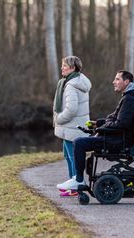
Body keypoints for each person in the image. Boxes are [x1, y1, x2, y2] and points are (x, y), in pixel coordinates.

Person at [57, 70, 134, 191]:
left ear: (126, 82)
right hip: (120, 137)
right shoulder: (130, 97)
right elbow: (115, 118)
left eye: (117, 79)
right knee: (81, 141)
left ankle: (78, 180)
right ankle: (77, 179)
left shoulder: (130, 100)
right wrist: (98, 123)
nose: (113, 82)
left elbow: (121, 124)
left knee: (78, 142)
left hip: (119, 141)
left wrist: (100, 129)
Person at [53, 56, 92, 196]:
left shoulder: (71, 85)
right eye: (62, 65)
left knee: (73, 158)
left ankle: (77, 187)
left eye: (64, 65)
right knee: (69, 157)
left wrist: (58, 119)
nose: (62, 68)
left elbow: (71, 110)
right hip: (73, 128)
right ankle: (73, 185)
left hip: (72, 128)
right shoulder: (74, 82)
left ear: (73, 68)